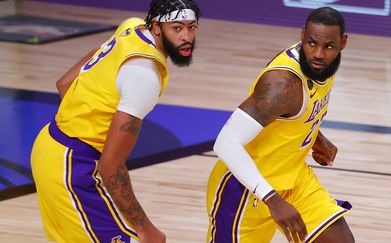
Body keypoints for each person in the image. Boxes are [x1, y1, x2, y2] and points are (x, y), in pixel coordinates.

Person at [30, 1, 200, 242]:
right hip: (73, 167)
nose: (186, 37)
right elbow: (111, 166)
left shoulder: (132, 27)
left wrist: (84, 121)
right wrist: (145, 228)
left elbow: (65, 83)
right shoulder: (144, 75)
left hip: (49, 147)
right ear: (157, 27)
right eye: (177, 28)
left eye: (191, 27)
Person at [207, 7, 355, 243]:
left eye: (328, 46)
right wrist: (272, 199)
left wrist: (316, 135)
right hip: (247, 190)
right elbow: (225, 143)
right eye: (311, 43)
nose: (318, 53)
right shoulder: (282, 85)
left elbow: (292, 114)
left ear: (342, 43)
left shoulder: (323, 67)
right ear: (302, 34)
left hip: (294, 179)